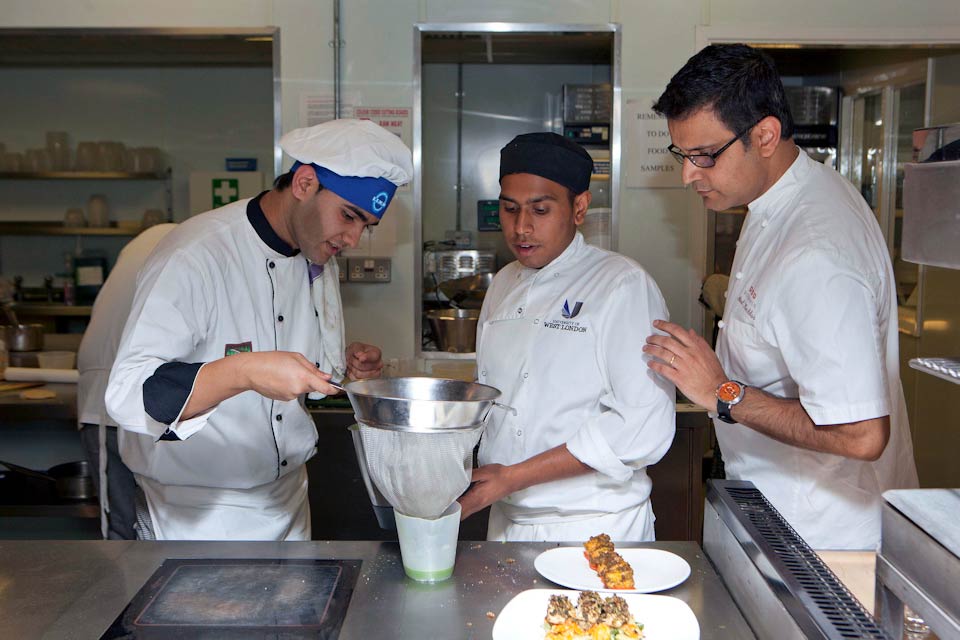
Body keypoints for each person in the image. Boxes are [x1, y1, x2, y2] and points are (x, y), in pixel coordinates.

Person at [644, 44, 918, 550]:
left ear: (765, 136)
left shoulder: (815, 250)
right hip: (778, 511)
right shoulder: (782, 198)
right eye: (681, 155)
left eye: (704, 156)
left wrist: (723, 393)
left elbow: (861, 434)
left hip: (825, 542)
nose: (688, 174)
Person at [106, 118, 412, 541]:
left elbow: (301, 355)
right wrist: (243, 371)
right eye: (349, 216)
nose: (354, 239)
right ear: (305, 183)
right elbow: (127, 392)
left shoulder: (316, 257)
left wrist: (345, 364)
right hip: (196, 512)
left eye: (366, 226)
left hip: (288, 500)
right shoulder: (197, 254)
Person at [458, 132, 676, 542]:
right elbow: (495, 396)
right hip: (506, 518)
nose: (522, 227)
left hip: (594, 526)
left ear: (579, 207)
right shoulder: (504, 283)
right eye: (509, 209)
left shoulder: (621, 285)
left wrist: (515, 476)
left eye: (540, 209)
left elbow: (642, 426)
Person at [77, 222, 176, 540]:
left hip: (100, 405)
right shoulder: (192, 249)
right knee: (156, 533)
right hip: (134, 407)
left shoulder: (145, 241)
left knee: (124, 533)